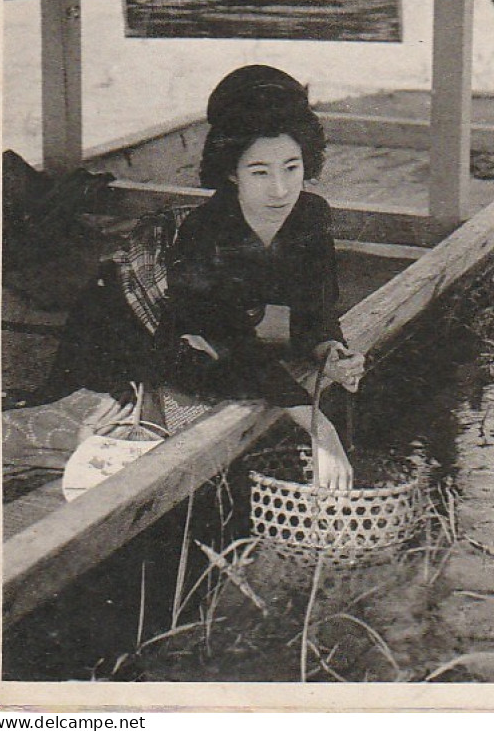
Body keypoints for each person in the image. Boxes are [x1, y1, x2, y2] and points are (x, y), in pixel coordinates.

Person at [154, 64, 365, 489]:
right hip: (204, 357)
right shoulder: (203, 232)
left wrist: (332, 350)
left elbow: (319, 307)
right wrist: (319, 428)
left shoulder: (311, 214)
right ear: (231, 171)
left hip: (258, 356)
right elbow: (235, 345)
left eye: (292, 167)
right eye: (260, 172)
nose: (281, 190)